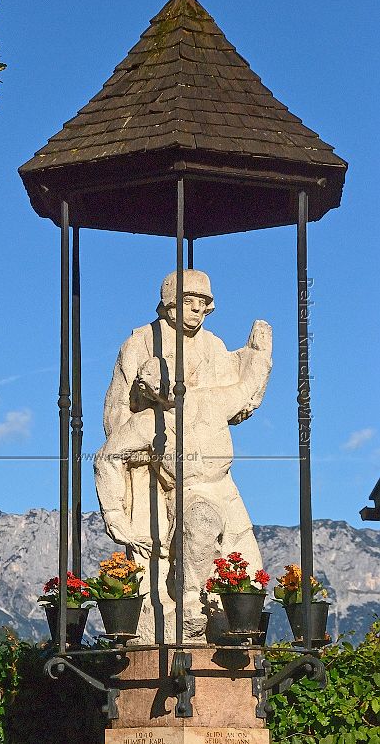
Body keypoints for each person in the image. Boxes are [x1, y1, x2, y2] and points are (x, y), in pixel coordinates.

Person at [94, 270, 272, 642]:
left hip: (222, 486)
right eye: (188, 302)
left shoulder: (212, 358)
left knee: (248, 569)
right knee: (195, 529)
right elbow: (114, 426)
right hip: (166, 479)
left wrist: (259, 354)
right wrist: (117, 507)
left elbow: (243, 391)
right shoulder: (141, 345)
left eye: (202, 303)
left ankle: (226, 625)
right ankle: (189, 607)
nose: (196, 310)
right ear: (170, 303)